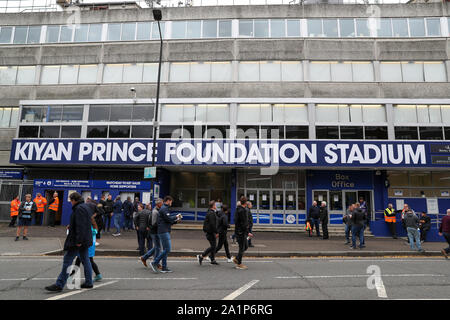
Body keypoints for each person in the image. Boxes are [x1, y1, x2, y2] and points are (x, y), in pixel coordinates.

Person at [45, 192, 94, 292]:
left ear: (74, 200)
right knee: (86, 260)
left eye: (71, 201)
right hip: (85, 239)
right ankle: (89, 282)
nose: (70, 203)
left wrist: (79, 241)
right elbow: (83, 222)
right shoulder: (85, 206)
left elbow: (81, 226)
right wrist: (71, 225)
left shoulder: (79, 209)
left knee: (67, 260)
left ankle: (59, 284)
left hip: (77, 240)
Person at [148, 196, 182, 274]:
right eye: (171, 202)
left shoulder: (164, 208)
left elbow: (168, 221)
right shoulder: (164, 209)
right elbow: (169, 219)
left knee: (165, 250)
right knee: (168, 249)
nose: (171, 203)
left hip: (164, 230)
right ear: (168, 201)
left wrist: (176, 220)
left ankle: (164, 267)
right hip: (163, 231)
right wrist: (176, 216)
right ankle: (155, 263)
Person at [70, 212, 102, 282]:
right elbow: (95, 231)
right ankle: (98, 274)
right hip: (90, 244)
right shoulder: (92, 225)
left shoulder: (87, 225)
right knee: (82, 260)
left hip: (87, 244)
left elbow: (84, 233)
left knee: (86, 260)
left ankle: (72, 276)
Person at [140, 198, 163, 269]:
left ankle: (144, 257)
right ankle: (156, 263)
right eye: (161, 203)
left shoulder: (158, 210)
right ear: (158, 204)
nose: (162, 204)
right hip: (154, 232)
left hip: (156, 231)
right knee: (158, 248)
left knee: (157, 247)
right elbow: (153, 223)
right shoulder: (155, 211)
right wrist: (162, 223)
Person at [197, 200, 220, 265]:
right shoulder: (211, 213)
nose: (216, 206)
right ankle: (201, 256)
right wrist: (216, 232)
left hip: (211, 231)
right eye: (215, 205)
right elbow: (212, 224)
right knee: (213, 246)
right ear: (213, 206)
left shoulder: (212, 212)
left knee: (214, 246)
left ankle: (212, 259)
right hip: (210, 232)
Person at [233, 196, 252, 270]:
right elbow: (244, 223)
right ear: (246, 202)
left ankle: (237, 258)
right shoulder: (243, 211)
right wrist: (247, 232)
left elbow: (236, 220)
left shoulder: (238, 209)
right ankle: (239, 263)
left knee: (246, 246)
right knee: (242, 248)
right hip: (241, 232)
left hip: (239, 231)